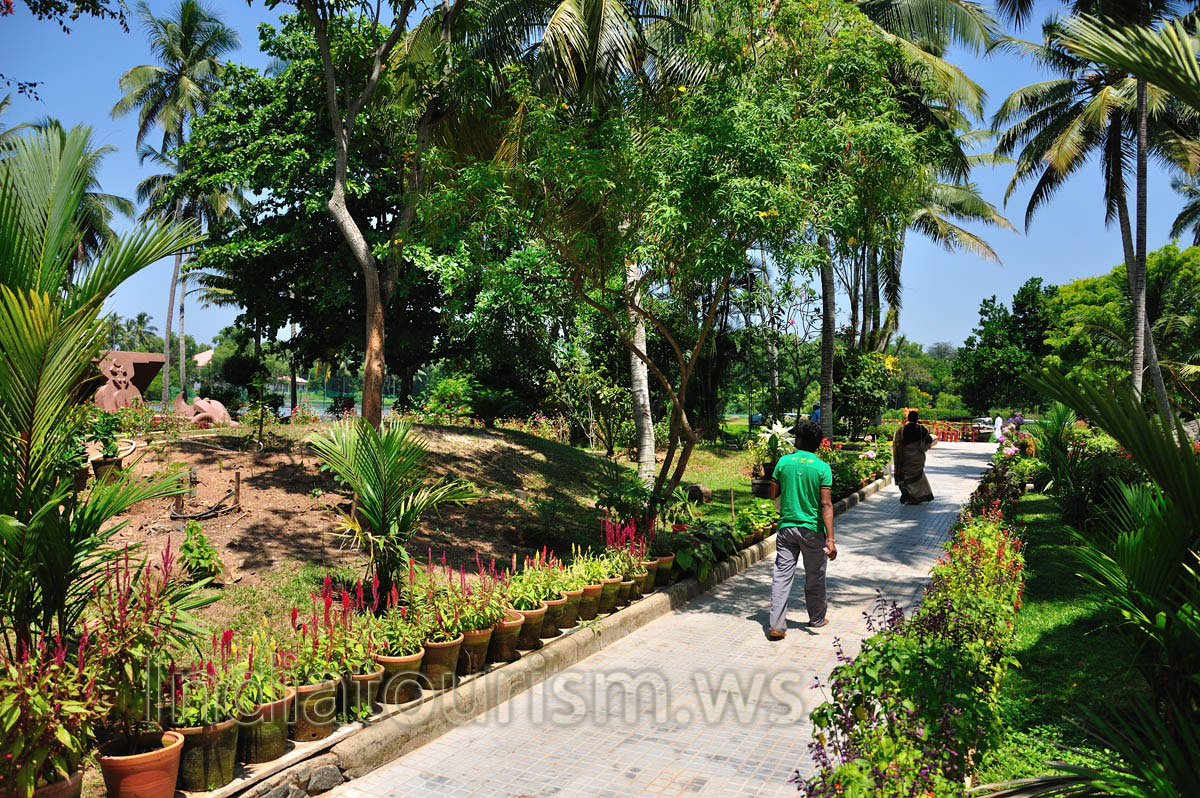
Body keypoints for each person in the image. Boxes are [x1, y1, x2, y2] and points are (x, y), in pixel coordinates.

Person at [767, 419, 835, 640]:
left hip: (786, 528)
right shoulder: (822, 468)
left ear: (798, 439)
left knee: (782, 576)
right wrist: (831, 539)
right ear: (818, 443)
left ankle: (776, 625)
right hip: (812, 531)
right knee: (815, 576)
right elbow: (825, 504)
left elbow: (773, 494)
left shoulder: (783, 463)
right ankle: (816, 619)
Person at [893, 409, 936, 504]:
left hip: (905, 457)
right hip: (918, 457)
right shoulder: (922, 429)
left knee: (906, 476)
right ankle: (913, 496)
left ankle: (906, 492)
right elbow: (929, 440)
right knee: (917, 477)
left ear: (908, 418)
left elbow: (897, 444)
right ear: (917, 419)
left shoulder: (901, 430)